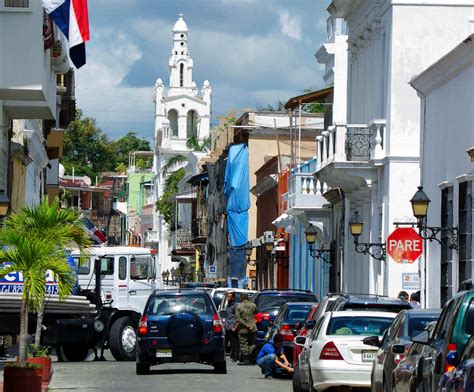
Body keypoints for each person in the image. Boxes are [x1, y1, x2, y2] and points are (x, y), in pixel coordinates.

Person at [234, 292, 258, 365]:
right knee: (252, 343)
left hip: (243, 329)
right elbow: (257, 312)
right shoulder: (253, 305)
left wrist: (245, 325)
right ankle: (251, 358)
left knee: (244, 344)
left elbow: (238, 318)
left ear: (241, 298)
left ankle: (245, 359)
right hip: (253, 328)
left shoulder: (239, 307)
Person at [224, 291, 239, 362]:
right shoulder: (228, 304)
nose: (228, 298)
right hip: (227, 326)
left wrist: (235, 327)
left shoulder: (235, 306)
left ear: (233, 298)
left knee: (234, 343)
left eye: (229, 297)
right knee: (224, 342)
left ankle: (235, 357)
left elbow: (238, 317)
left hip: (232, 326)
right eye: (227, 297)